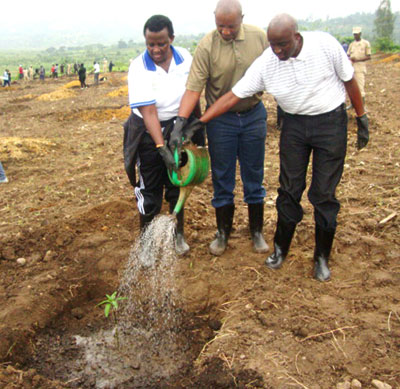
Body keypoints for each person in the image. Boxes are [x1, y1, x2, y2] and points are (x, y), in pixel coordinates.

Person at [182, 13, 369, 281]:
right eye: (273, 45)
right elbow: (233, 95)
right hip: (294, 126)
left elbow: (349, 79)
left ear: (296, 36)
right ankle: (280, 249)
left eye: (283, 44)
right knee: (289, 189)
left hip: (330, 124)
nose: (278, 50)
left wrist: (361, 117)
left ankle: (321, 258)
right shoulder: (267, 63)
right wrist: (199, 122)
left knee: (323, 193)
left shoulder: (325, 45)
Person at [170, 0, 269, 256]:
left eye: (231, 26)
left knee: (254, 173)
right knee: (223, 176)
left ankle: (256, 231)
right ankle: (223, 232)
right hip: (220, 120)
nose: (226, 31)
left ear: (242, 19)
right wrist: (181, 122)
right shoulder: (207, 45)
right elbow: (194, 88)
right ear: (214, 20)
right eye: (221, 26)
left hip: (253, 115)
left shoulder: (259, 37)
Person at [123, 14, 204, 256]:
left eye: (161, 43)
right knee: (150, 188)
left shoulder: (185, 59)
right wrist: (161, 148)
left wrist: (180, 131)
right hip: (148, 131)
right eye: (150, 44)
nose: (156, 49)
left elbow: (193, 92)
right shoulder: (139, 67)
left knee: (177, 182)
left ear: (172, 38)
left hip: (177, 125)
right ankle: (147, 242)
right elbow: (148, 112)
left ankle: (177, 234)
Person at [347, 27, 371, 107]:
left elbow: (368, 56)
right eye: (354, 34)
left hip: (360, 68)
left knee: (360, 87)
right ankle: (353, 104)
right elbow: (348, 55)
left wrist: (357, 59)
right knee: (351, 87)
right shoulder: (352, 44)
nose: (355, 36)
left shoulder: (365, 43)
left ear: (360, 34)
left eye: (357, 34)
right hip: (351, 68)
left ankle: (361, 106)